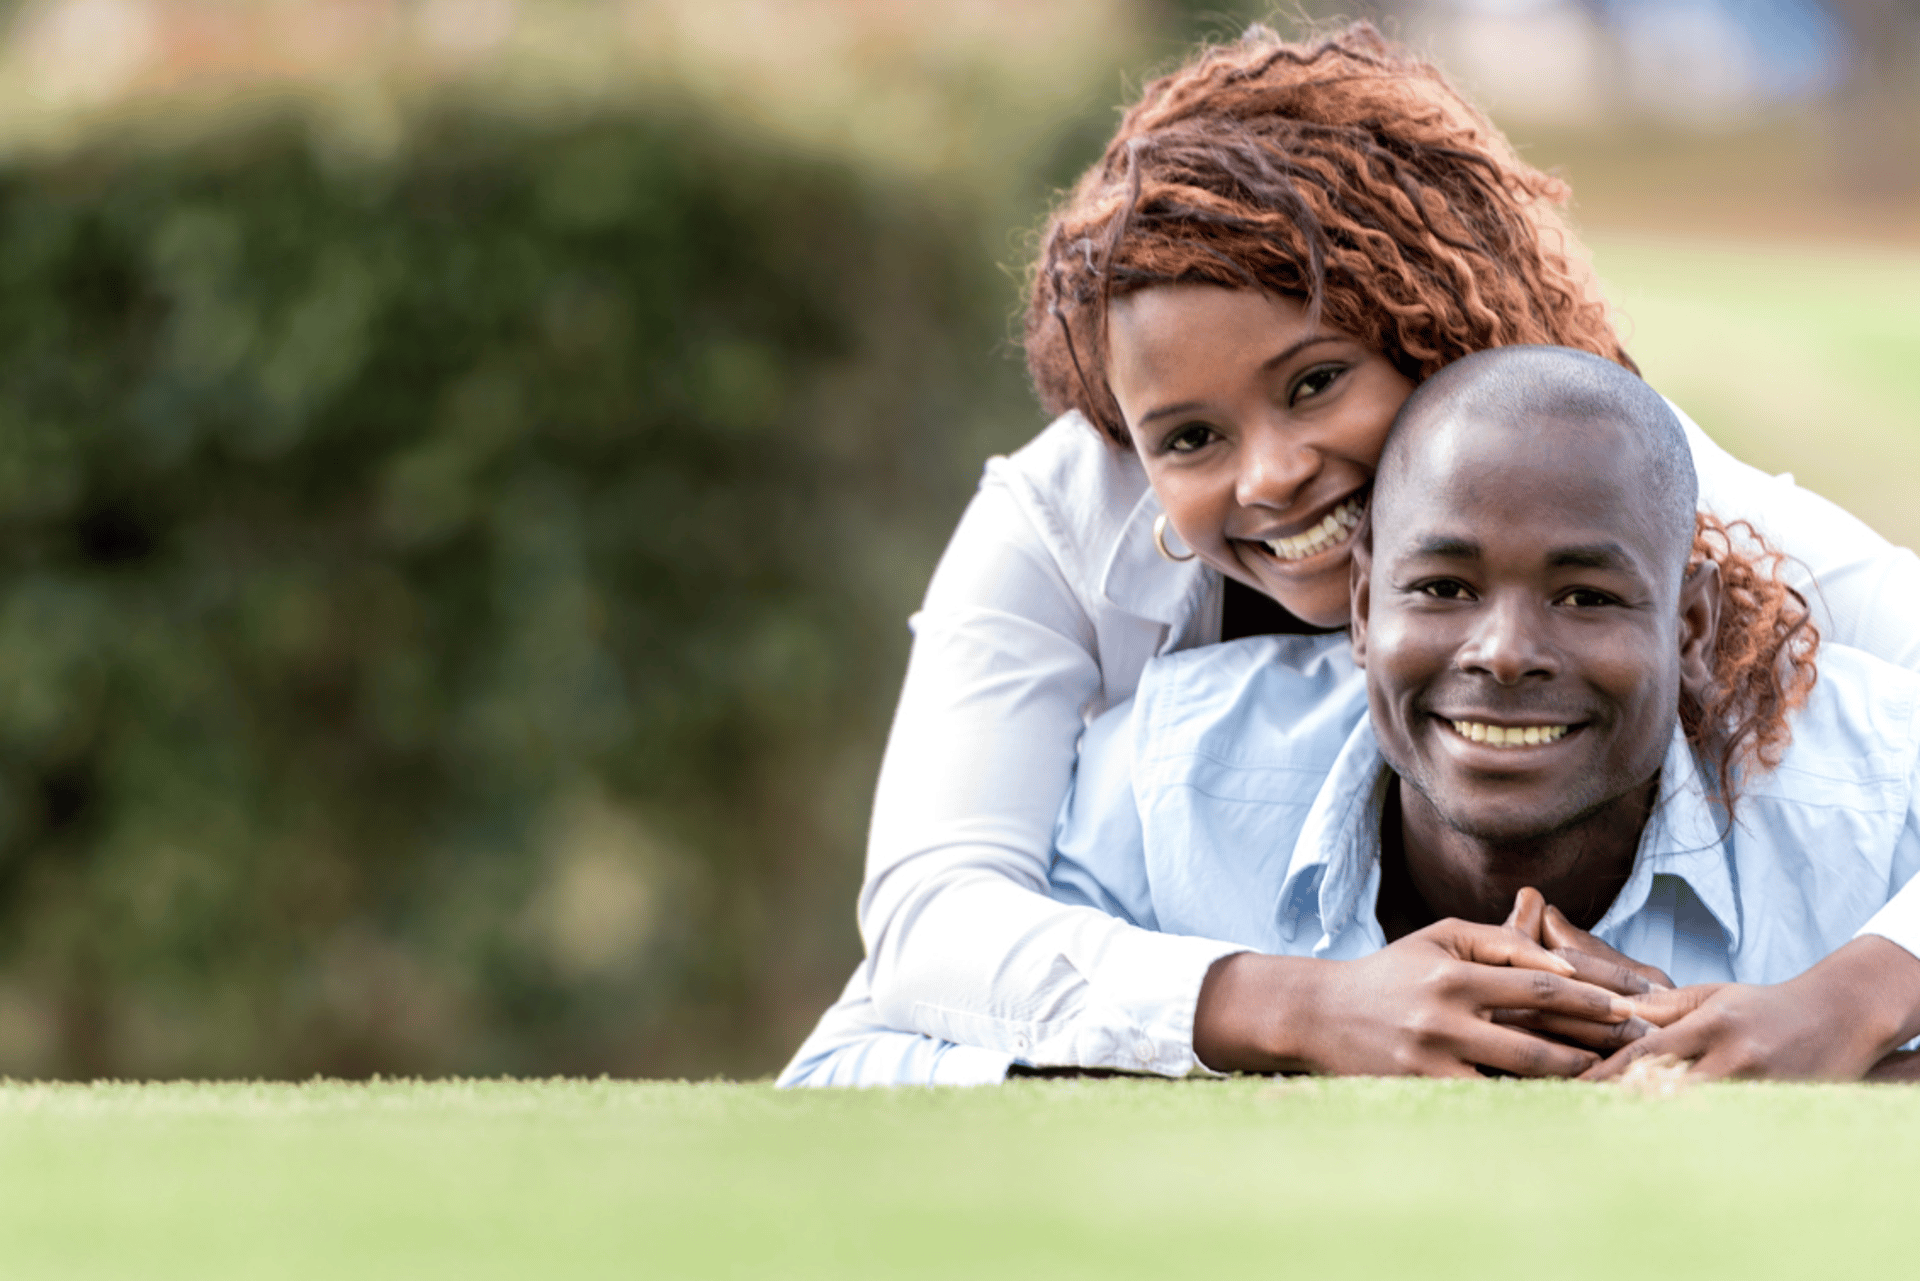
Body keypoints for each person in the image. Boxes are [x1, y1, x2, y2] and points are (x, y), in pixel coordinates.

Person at [814, 23, 1920, 1087]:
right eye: (1193, 438)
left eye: (1316, 383)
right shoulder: (1063, 534)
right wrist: (1308, 1010)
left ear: (1437, 334)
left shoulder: (1615, 478)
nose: (1271, 476)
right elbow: (931, 918)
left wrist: (1854, 1000)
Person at [789, 346, 1920, 1085]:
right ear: (1363, 602)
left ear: (1685, 622)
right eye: (1441, 589)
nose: (1507, 654)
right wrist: (1284, 1044)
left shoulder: (1859, 775)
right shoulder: (1170, 773)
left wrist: (1853, 1045)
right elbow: (844, 1070)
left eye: (1584, 595)